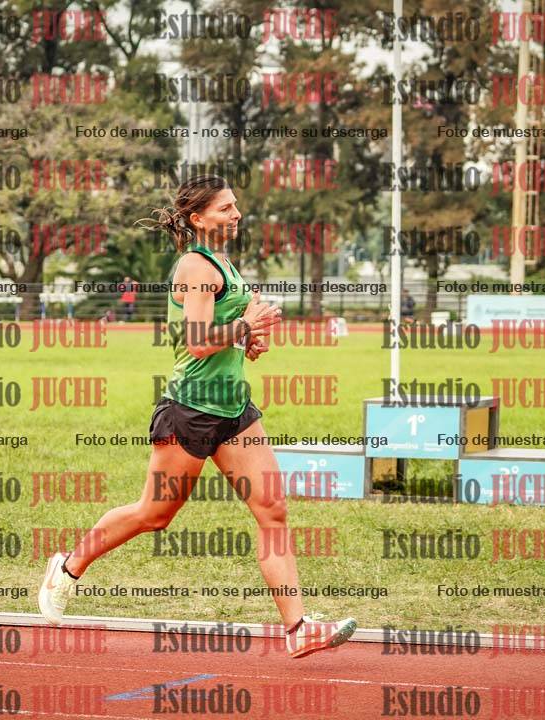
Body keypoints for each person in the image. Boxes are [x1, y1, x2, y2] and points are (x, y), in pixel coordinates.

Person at [38, 175, 356, 659]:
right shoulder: (195, 266)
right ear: (197, 218)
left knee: (272, 509)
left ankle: (298, 628)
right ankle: (67, 567)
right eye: (225, 208)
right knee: (154, 514)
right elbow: (198, 341)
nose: (236, 213)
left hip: (234, 410)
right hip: (190, 411)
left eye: (236, 205)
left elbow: (230, 337)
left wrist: (252, 339)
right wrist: (245, 325)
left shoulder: (225, 263)